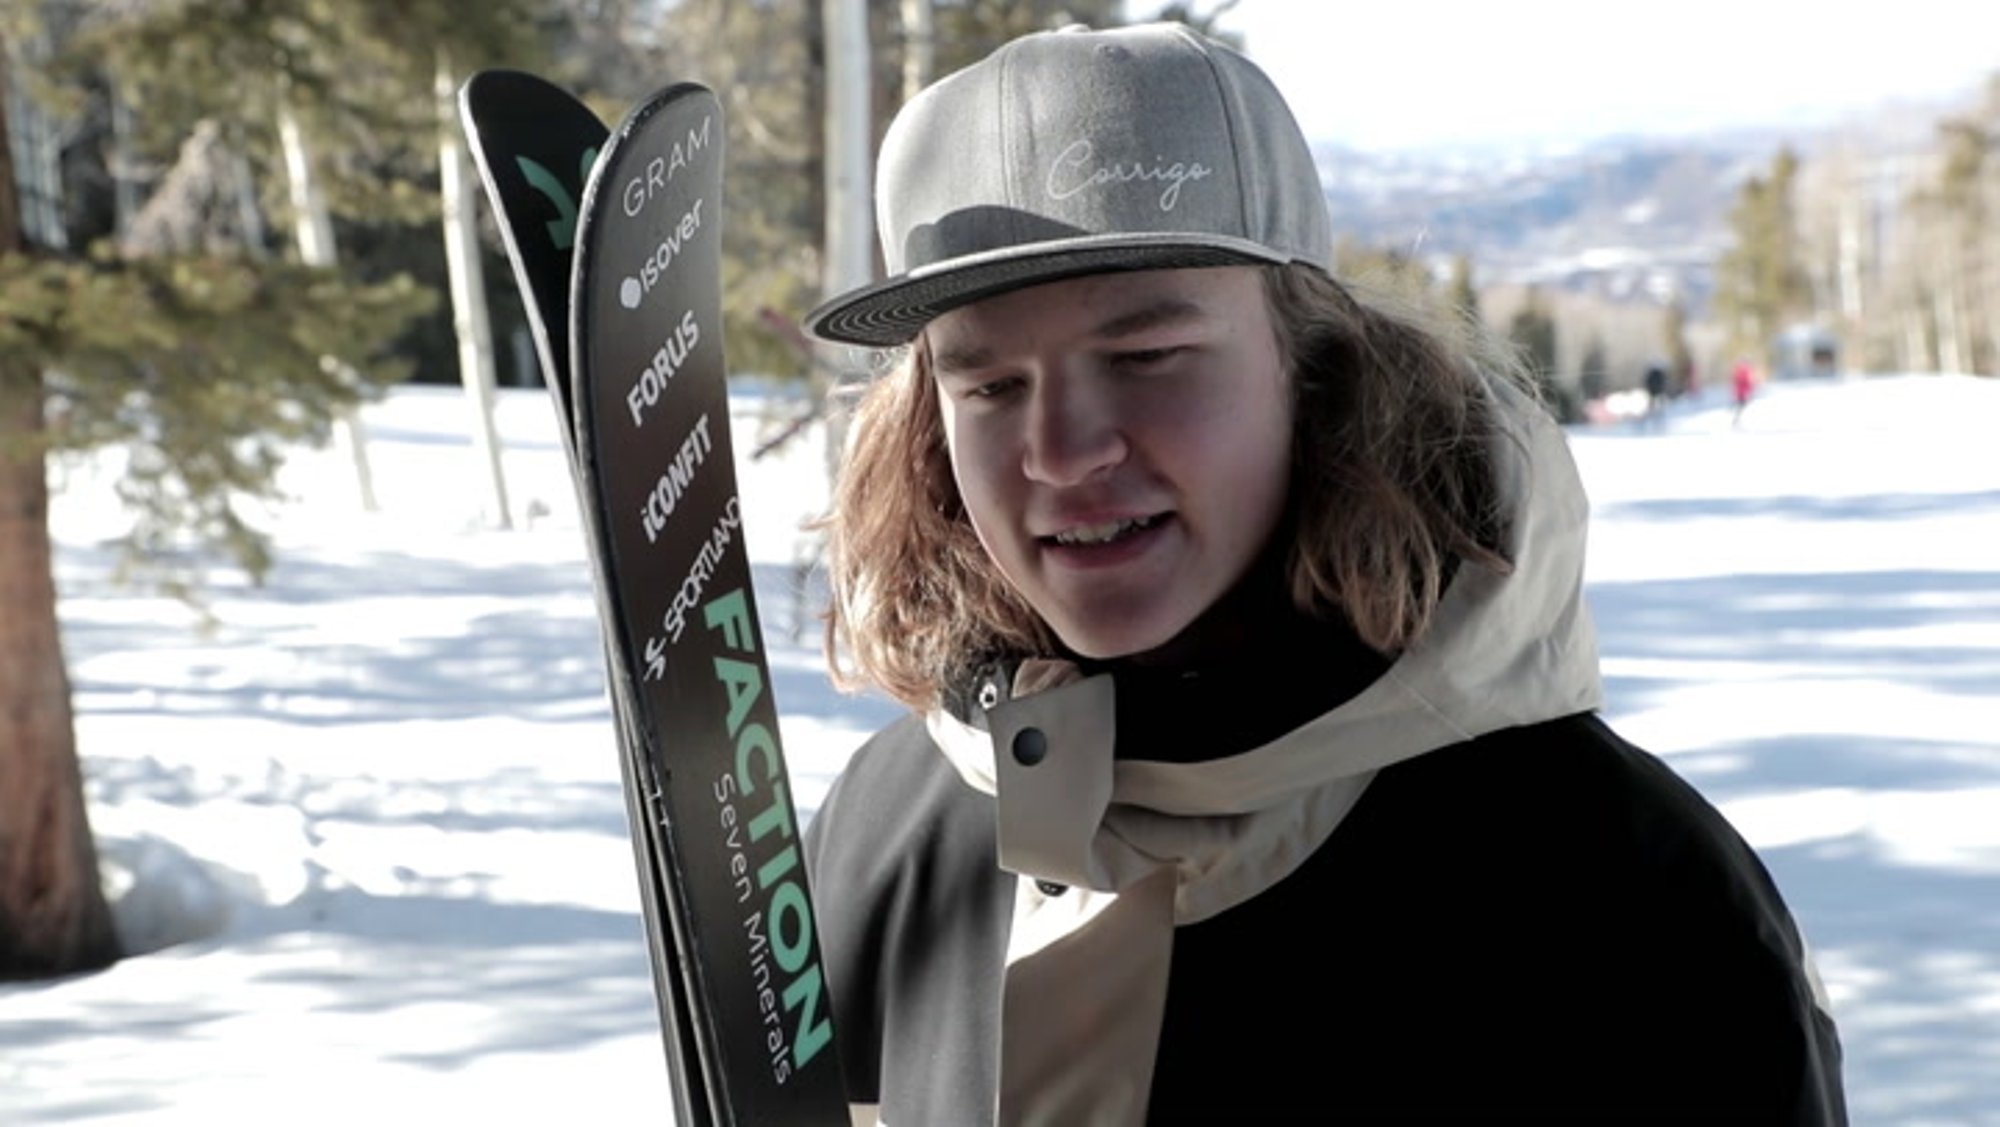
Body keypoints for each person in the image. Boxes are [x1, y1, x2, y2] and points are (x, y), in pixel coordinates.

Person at [800, 22, 1846, 1125]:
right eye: (990, 386)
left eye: (1144, 356)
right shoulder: (892, 828)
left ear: (1316, 367)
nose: (1061, 450)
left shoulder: (1614, 889)